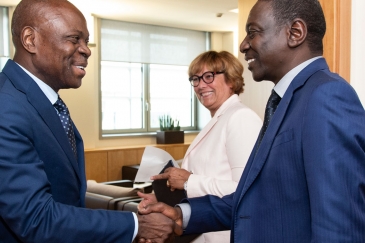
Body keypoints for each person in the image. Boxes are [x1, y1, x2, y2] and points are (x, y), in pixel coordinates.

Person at [139, 0, 365, 242]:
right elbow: (255, 197)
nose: (243, 44)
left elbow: (339, 227)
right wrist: (182, 213)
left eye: (253, 32)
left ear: (295, 33)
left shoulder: (326, 95)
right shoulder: (285, 101)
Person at [0, 0, 179, 242]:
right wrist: (136, 225)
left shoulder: (44, 103)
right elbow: (36, 219)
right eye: (74, 39)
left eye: (86, 40)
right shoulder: (6, 106)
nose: (86, 50)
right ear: (30, 40)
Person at [139, 51, 262, 242]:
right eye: (195, 79)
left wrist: (189, 181)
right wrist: (167, 203)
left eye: (209, 76)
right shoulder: (219, 119)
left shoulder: (240, 118)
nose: (200, 85)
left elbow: (245, 192)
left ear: (231, 80)